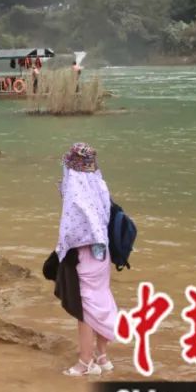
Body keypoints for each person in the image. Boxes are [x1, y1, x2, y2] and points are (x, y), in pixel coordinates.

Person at [49, 143, 118, 377]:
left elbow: (73, 228)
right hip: (102, 252)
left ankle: (85, 362)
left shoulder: (75, 190)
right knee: (101, 299)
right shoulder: (99, 184)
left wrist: (61, 251)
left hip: (84, 253)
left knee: (85, 309)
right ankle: (102, 356)